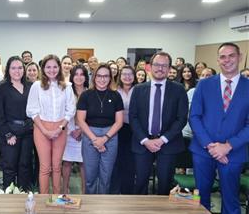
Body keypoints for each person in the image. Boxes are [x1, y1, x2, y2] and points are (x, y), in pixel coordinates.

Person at [190, 42, 249, 214]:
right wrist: (210, 146)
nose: (227, 60)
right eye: (223, 57)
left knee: (231, 199)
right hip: (203, 151)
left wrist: (227, 146)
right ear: (218, 60)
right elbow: (194, 116)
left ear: (239, 57)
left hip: (234, 153)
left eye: (231, 56)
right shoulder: (205, 84)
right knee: (201, 197)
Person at [129, 52, 188, 195]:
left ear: (169, 69)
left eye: (164, 65)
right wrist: (145, 140)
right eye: (157, 64)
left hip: (168, 143)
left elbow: (181, 119)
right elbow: (133, 117)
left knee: (165, 184)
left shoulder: (179, 90)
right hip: (142, 143)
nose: (160, 68)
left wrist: (162, 140)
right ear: (150, 67)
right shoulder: (138, 89)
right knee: (141, 182)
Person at [26, 54, 75, 194]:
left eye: (55, 67)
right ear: (43, 68)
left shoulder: (67, 86)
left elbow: (70, 110)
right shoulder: (36, 86)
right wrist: (45, 130)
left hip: (61, 128)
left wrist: (60, 128)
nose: (52, 70)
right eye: (48, 67)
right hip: (41, 128)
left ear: (59, 68)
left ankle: (57, 198)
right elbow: (32, 111)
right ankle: (44, 198)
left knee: (57, 166)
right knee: (45, 167)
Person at [77, 63, 124, 194]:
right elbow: (80, 120)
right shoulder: (86, 95)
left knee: (106, 177)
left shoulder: (116, 96)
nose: (102, 79)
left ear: (110, 78)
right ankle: (90, 207)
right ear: (94, 77)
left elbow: (119, 122)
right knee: (90, 177)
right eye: (99, 76)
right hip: (89, 135)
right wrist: (95, 140)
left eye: (106, 76)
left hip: (110, 136)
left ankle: (102, 208)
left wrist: (104, 138)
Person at [0, 56, 33, 191]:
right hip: (9, 133)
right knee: (9, 167)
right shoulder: (1, 87)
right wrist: (8, 134)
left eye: (20, 67)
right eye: (13, 68)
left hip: (28, 132)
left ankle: (23, 193)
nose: (17, 71)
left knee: (25, 165)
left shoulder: (30, 86)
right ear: (8, 70)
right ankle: (8, 198)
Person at [110, 66, 137, 194]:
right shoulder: (115, 91)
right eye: (124, 74)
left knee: (130, 163)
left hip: (134, 130)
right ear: (119, 76)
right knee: (116, 161)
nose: (127, 77)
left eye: (130, 74)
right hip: (117, 130)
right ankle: (115, 191)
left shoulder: (139, 90)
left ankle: (128, 192)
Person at [62, 65, 89, 194]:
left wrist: (81, 130)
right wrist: (72, 130)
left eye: (82, 74)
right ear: (72, 76)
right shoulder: (66, 91)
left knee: (83, 164)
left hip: (86, 132)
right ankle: (64, 191)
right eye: (76, 74)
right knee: (67, 162)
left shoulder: (90, 92)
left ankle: (84, 192)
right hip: (69, 132)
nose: (79, 77)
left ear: (86, 76)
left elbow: (93, 115)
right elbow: (64, 112)